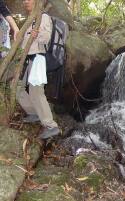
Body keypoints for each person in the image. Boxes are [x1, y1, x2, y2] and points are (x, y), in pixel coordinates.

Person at [17, 0, 60, 139]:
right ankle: (34, 113)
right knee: (18, 88)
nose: (25, 2)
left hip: (38, 59)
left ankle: (51, 126)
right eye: (24, 0)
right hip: (26, 60)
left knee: (36, 92)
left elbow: (46, 38)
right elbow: (24, 42)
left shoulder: (43, 17)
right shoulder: (29, 19)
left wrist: (37, 35)